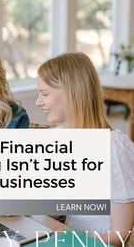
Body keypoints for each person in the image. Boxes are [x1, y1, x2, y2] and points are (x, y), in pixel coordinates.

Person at [36, 52, 134, 246]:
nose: (38, 102)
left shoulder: (113, 148)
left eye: (45, 93)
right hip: (66, 238)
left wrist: (70, 243)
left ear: (72, 93)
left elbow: (120, 236)